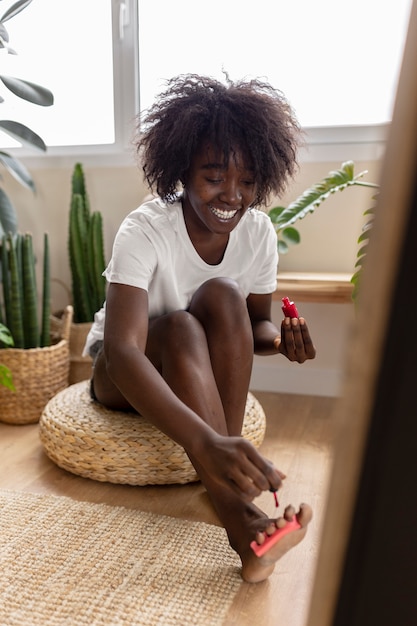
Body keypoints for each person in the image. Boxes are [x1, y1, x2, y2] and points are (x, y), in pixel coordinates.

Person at [84, 73, 316, 583]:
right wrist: (204, 440)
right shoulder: (144, 230)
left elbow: (253, 324)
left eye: (248, 181)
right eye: (213, 176)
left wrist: (279, 341)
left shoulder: (256, 231)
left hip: (193, 362)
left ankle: (228, 481)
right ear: (182, 171)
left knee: (224, 295)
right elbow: (123, 353)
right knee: (182, 328)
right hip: (121, 368)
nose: (231, 195)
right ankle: (241, 518)